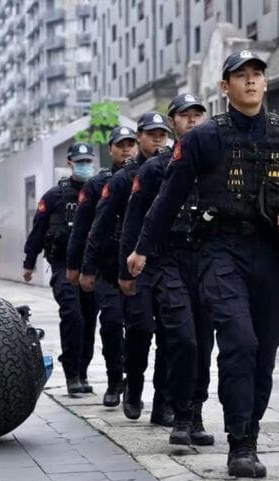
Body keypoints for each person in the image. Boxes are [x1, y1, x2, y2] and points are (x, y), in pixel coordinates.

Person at [127, 50, 279, 478]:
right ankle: (239, 444)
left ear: (265, 83)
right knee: (239, 342)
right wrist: (141, 250)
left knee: (263, 351)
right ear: (224, 87)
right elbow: (167, 200)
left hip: (269, 256)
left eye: (257, 75)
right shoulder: (203, 139)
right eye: (240, 76)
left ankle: (252, 432)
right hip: (219, 251)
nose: (250, 82)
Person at [120, 93, 215, 445]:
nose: (192, 120)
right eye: (184, 115)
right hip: (167, 262)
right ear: (173, 122)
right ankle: (178, 412)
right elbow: (134, 221)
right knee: (182, 338)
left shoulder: (213, 162)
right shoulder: (156, 168)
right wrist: (128, 268)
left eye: (197, 115)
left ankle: (196, 414)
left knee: (204, 342)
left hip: (206, 262)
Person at [82, 111, 174, 427]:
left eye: (163, 134)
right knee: (140, 329)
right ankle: (132, 385)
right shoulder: (122, 179)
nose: (158, 140)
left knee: (170, 333)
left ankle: (163, 402)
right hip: (135, 266)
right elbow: (100, 224)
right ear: (140, 139)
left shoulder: (175, 170)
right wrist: (88, 268)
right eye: (152, 134)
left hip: (170, 262)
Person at [66, 128, 137, 407]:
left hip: (139, 267)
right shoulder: (97, 185)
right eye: (121, 145)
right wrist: (82, 267)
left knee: (140, 327)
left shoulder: (150, 174)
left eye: (131, 144)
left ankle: (134, 379)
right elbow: (84, 229)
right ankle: (114, 381)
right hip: (108, 268)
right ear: (111, 150)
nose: (127, 150)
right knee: (110, 323)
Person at [23, 143, 99, 397]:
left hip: (91, 267)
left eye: (88, 161)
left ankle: (83, 370)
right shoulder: (54, 196)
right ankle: (71, 375)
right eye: (80, 161)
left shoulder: (100, 192)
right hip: (63, 265)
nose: (85, 166)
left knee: (89, 319)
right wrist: (28, 262)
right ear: (70, 163)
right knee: (73, 315)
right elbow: (39, 230)